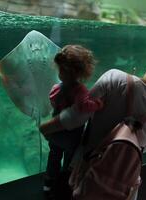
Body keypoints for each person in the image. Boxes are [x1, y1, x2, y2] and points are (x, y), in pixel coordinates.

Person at [40, 46, 146, 199]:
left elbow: (78, 115)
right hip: (119, 189)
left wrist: (47, 127)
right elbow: (139, 149)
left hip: (84, 176)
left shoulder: (115, 77)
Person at [43, 45, 104, 199]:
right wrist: (98, 104)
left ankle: (49, 182)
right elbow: (84, 106)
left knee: (54, 156)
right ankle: (64, 183)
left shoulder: (56, 88)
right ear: (82, 71)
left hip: (55, 134)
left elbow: (52, 100)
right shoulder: (80, 90)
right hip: (71, 136)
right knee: (69, 159)